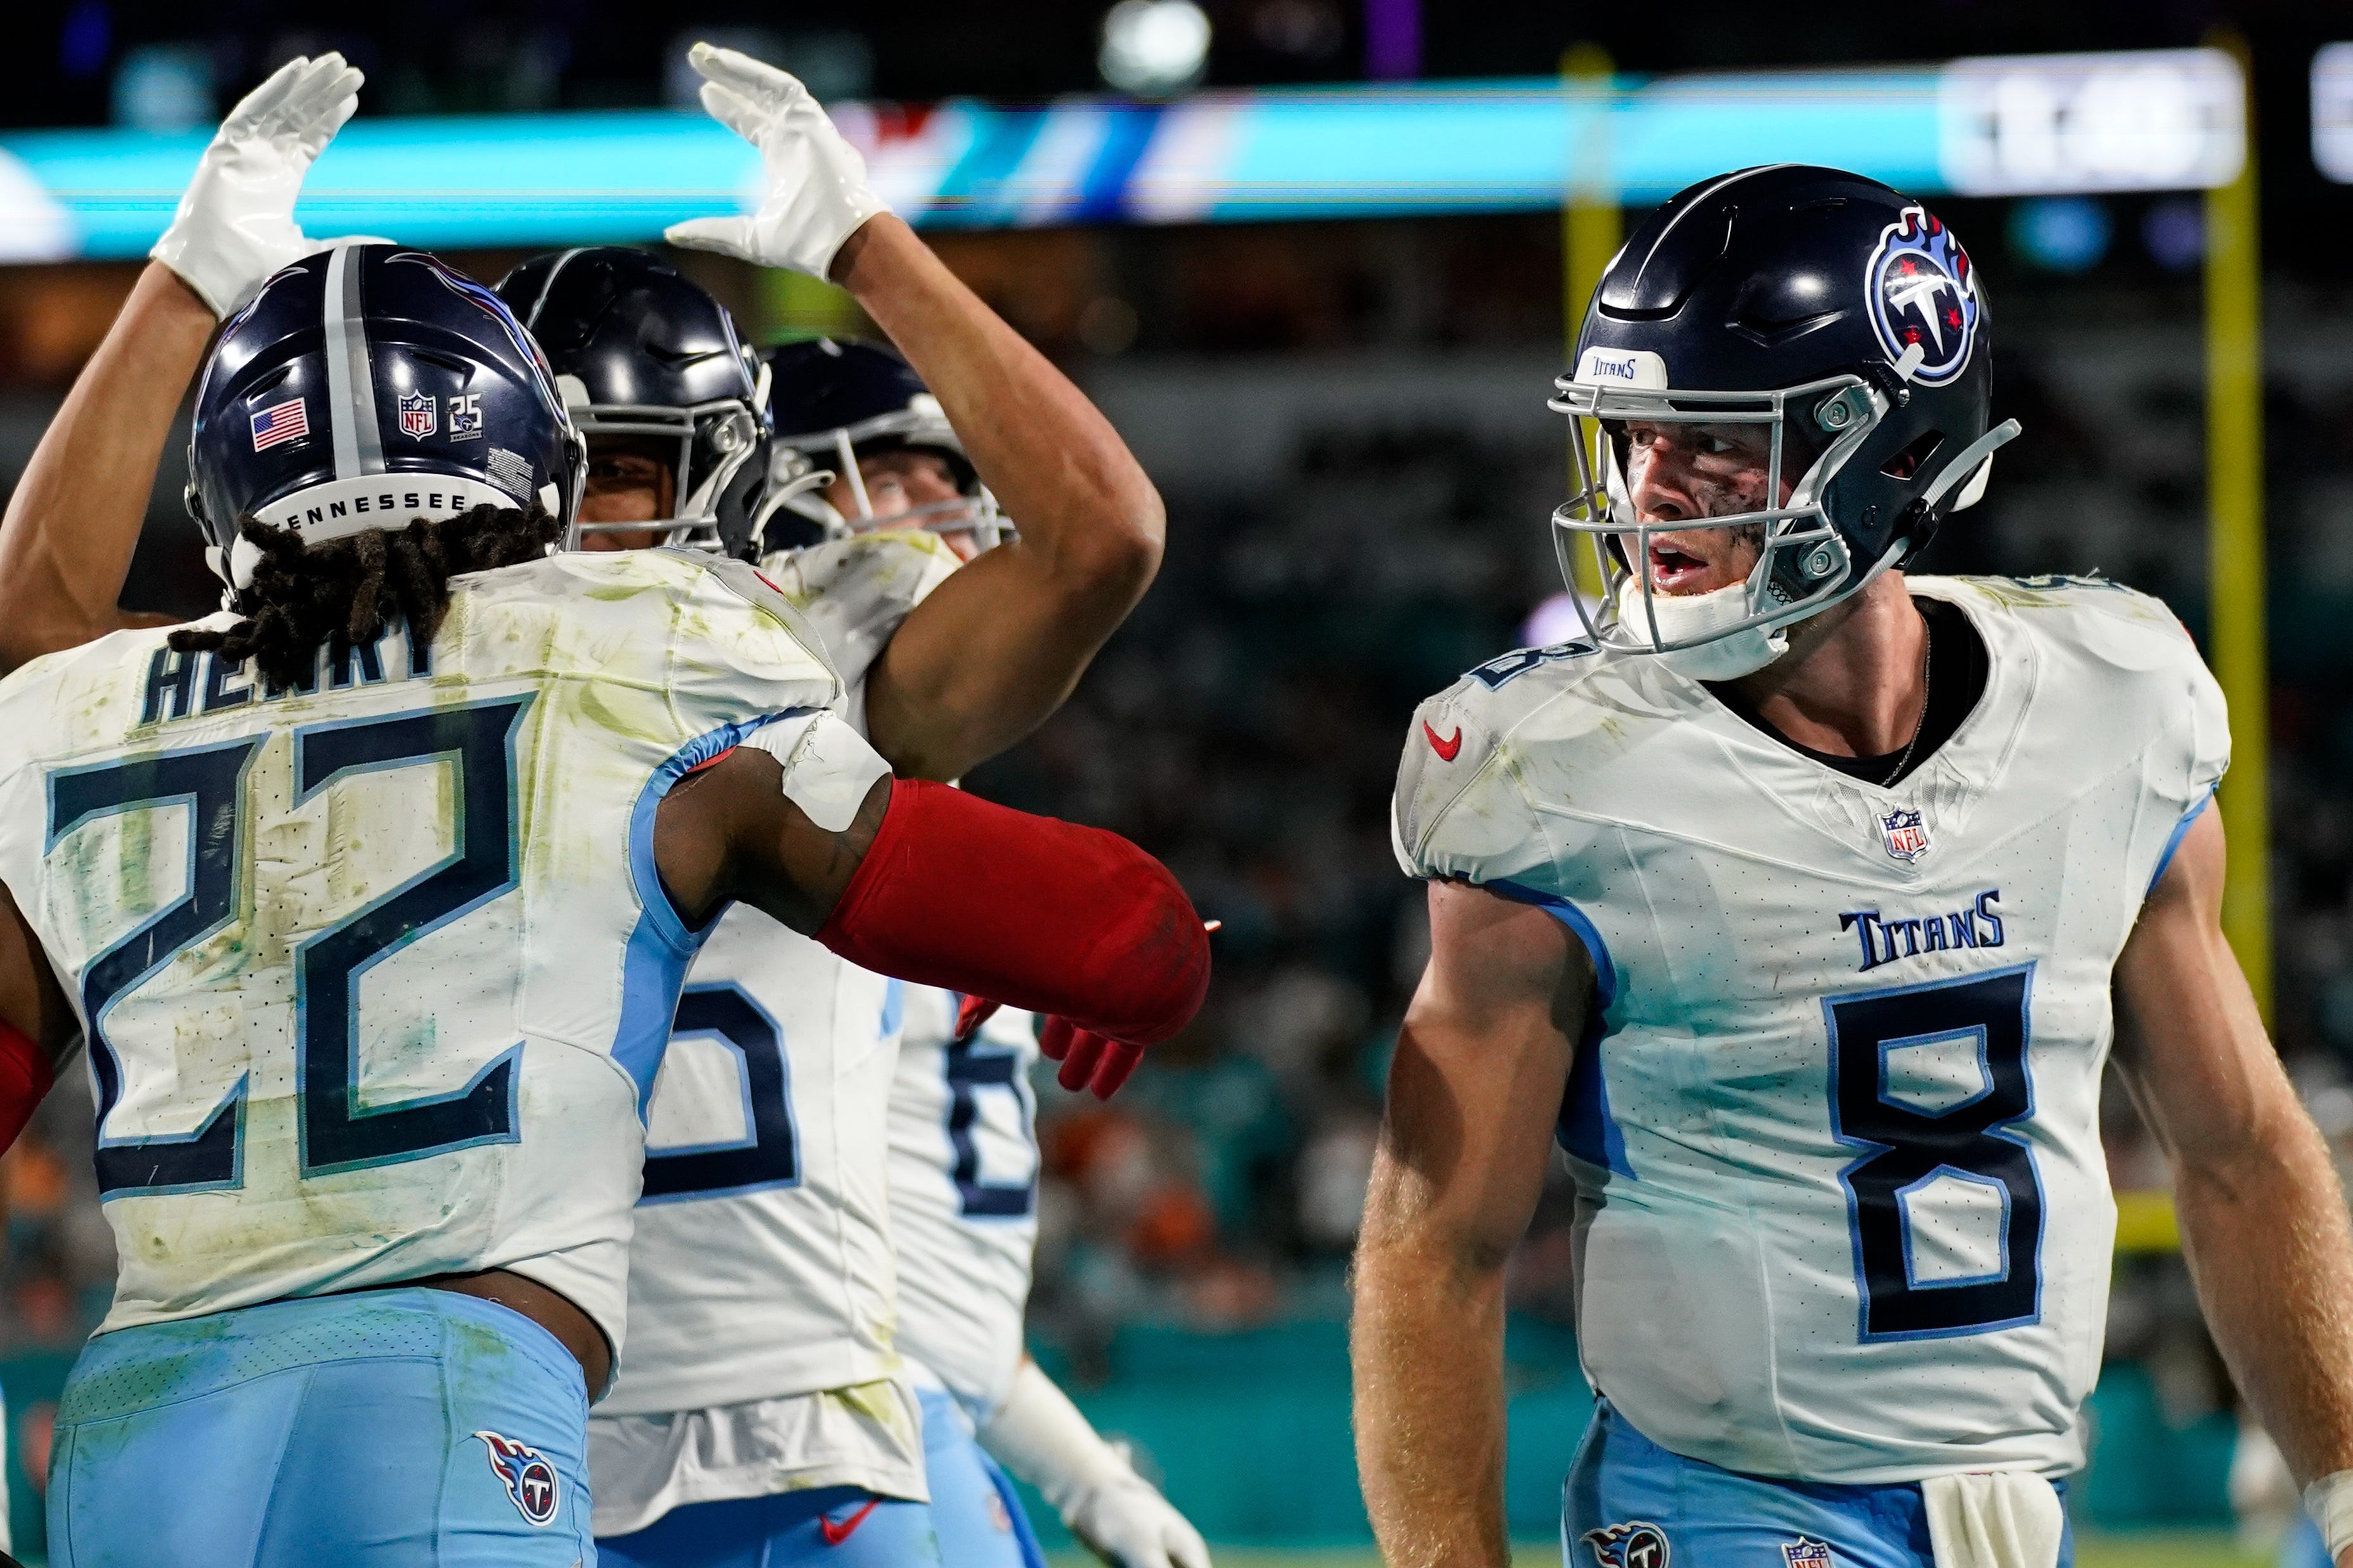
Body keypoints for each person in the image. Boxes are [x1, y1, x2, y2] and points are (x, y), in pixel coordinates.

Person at [0, 81, 1209, 1564]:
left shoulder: (96, 703)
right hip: (479, 1381)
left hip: (187, 1402)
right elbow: (1117, 920)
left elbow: (40, 622)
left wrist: (190, 272)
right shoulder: (668, 654)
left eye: (640, 466)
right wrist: (1110, 946)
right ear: (526, 455)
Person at [1350, 164, 2353, 1568]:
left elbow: (2241, 1150)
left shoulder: (2110, 702)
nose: (1650, 490)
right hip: (1720, 1505)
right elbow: (1430, 1250)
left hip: (2017, 1509)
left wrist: (2346, 1484)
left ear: (1892, 447)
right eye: (1634, 435)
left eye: (1714, 441)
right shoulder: (1553, 772)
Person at [491, 48, 1208, 1565]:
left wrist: (866, 247)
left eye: (628, 470)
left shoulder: (800, 642)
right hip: (519, 1402)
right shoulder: (407, 670)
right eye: (570, 470)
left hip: (790, 1402)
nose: (589, 516)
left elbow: (1097, 538)